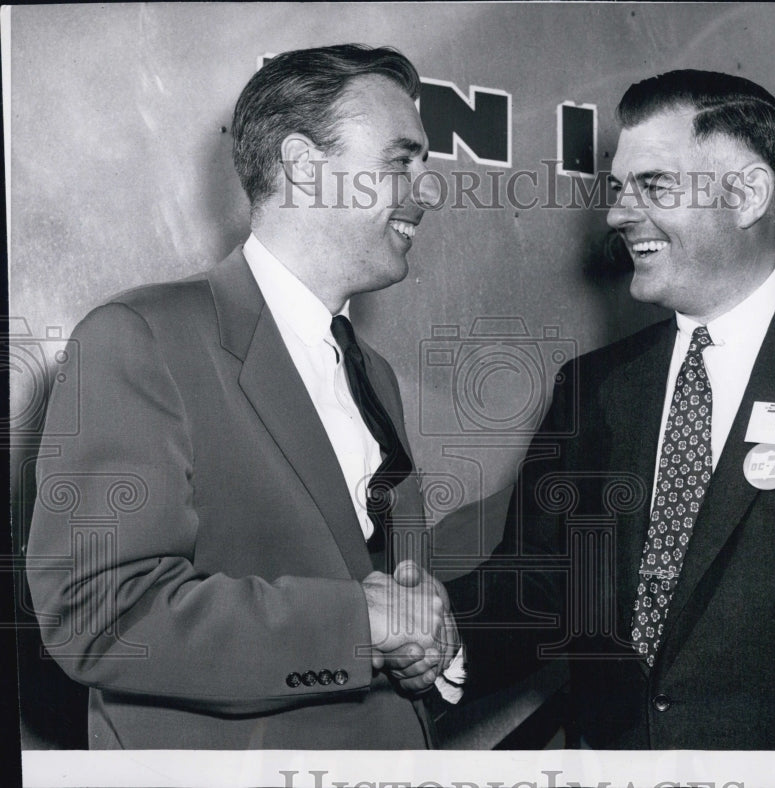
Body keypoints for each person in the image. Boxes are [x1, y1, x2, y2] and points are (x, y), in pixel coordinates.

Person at [448, 69, 775, 750]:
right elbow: (539, 588)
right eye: (618, 189)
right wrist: (433, 628)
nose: (617, 214)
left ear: (748, 193)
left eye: (654, 185)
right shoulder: (591, 386)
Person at [26, 44, 458, 750]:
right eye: (400, 161)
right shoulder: (141, 339)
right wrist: (359, 624)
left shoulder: (370, 371)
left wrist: (423, 638)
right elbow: (96, 612)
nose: (429, 190)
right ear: (304, 166)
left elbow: (381, 595)